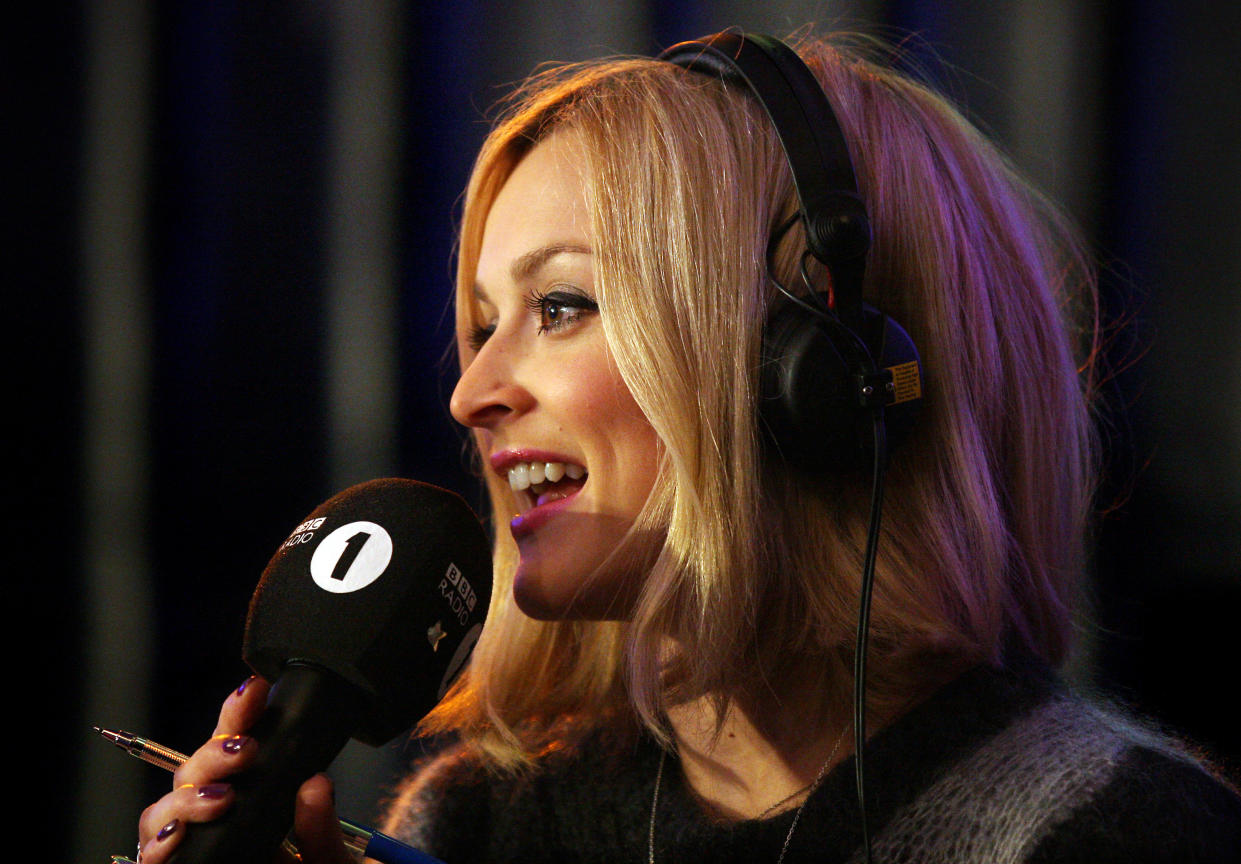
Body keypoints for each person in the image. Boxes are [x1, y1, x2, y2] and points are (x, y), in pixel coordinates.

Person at [137, 30, 1241, 864]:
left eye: (561, 305)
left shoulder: (1097, 829)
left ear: (811, 376)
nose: (472, 394)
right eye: (481, 326)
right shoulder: (475, 819)